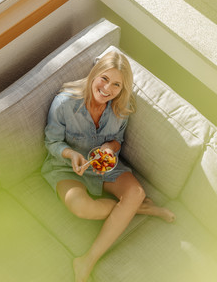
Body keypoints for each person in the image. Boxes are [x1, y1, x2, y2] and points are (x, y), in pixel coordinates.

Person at [41, 50, 175, 282]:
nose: (107, 89)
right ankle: (138, 209)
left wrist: (109, 148)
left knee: (136, 192)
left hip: (104, 165)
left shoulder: (121, 108)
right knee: (82, 207)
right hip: (66, 166)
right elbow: (52, 142)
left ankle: (87, 260)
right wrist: (72, 154)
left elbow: (118, 141)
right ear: (94, 74)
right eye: (104, 78)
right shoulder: (64, 103)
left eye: (116, 85)